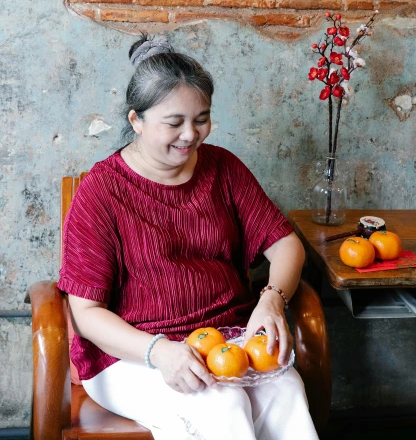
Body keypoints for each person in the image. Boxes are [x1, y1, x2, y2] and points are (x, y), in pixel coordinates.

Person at [57, 36, 319, 440]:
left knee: (286, 392)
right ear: (136, 121)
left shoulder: (224, 168)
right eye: (174, 122)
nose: (190, 134)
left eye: (201, 119)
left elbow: (285, 243)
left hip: (226, 339)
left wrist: (272, 299)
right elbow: (86, 312)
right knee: (220, 403)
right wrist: (158, 351)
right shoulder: (102, 192)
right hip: (130, 355)